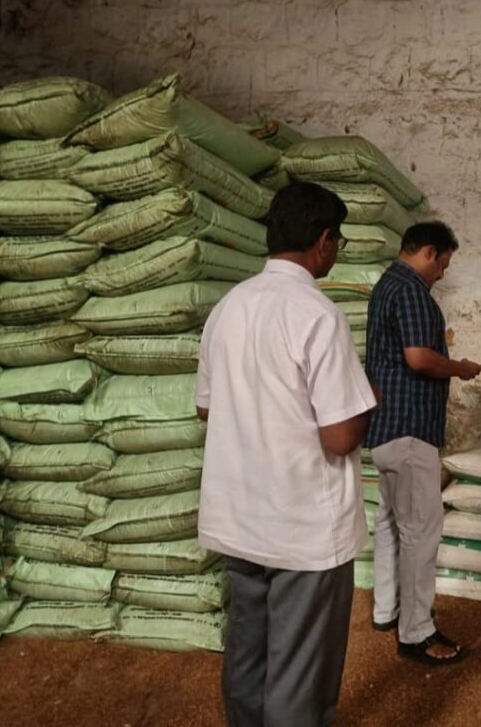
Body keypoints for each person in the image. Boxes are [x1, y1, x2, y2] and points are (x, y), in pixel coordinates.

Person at [196, 182, 377, 727]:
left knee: (248, 656)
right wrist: (370, 402)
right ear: (323, 242)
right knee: (300, 674)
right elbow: (340, 438)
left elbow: (208, 411)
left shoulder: (227, 309)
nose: (337, 250)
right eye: (337, 240)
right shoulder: (317, 315)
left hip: (240, 518)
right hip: (301, 529)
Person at [365, 221, 481, 665]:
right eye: (444, 265)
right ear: (429, 252)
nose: (442, 275)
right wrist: (459, 367)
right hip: (411, 427)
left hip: (384, 428)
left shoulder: (384, 286)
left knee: (393, 523)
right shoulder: (413, 289)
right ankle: (417, 632)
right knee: (421, 531)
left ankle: (386, 610)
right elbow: (417, 357)